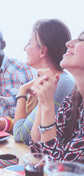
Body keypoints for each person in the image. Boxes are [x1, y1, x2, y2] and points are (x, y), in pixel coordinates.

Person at [0, 19, 75, 137]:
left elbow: (21, 134)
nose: (25, 48)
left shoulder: (60, 83)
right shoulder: (44, 80)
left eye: (29, 43)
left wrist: (22, 92)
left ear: (42, 51)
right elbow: (25, 125)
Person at [29, 31, 84, 163]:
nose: (68, 43)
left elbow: (57, 167)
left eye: (81, 40)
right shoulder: (73, 100)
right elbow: (37, 149)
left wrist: (48, 105)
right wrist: (43, 100)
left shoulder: (64, 82)